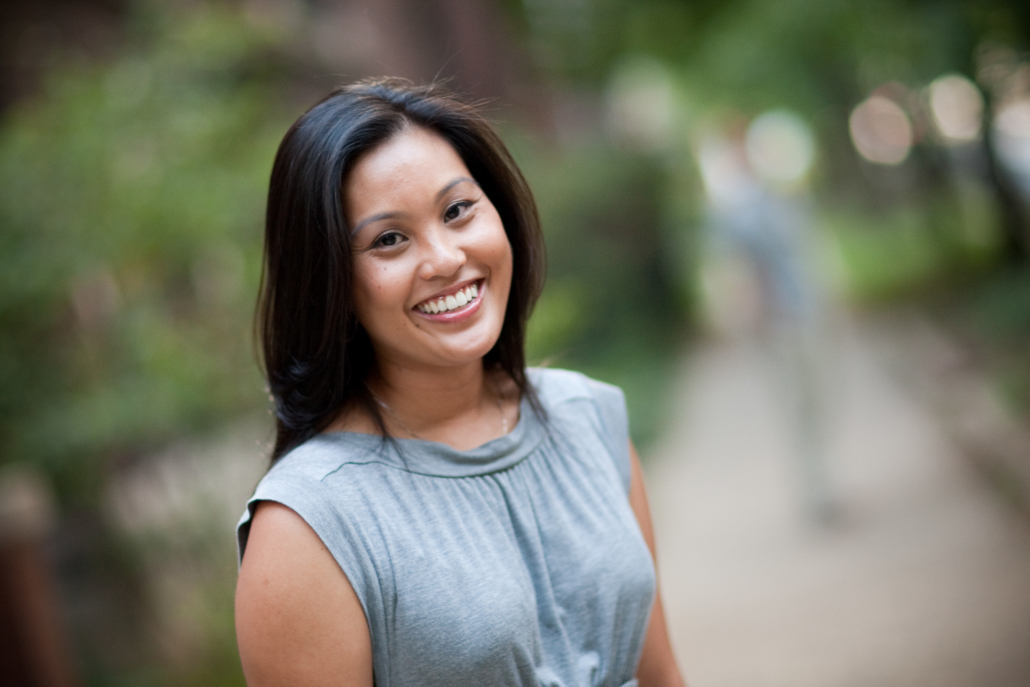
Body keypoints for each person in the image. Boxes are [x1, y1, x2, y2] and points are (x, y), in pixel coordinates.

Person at [234, 78, 686, 687]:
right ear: (332, 284)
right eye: (389, 239)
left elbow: (660, 673)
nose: (445, 258)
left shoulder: (588, 418)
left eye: (457, 210)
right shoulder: (308, 527)